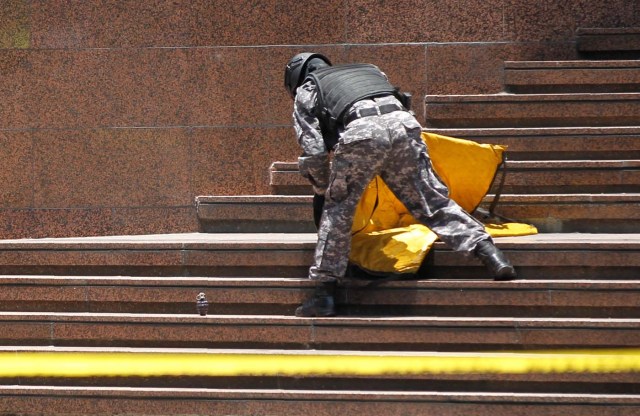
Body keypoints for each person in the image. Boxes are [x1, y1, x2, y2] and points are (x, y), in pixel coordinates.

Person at [284, 52, 517, 317]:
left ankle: (324, 294)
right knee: (431, 200)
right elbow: (402, 104)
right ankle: (491, 255)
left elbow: (313, 150)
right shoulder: (369, 69)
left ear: (295, 77)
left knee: (338, 211)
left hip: (361, 132)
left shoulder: (309, 87)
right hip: (405, 127)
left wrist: (324, 187)